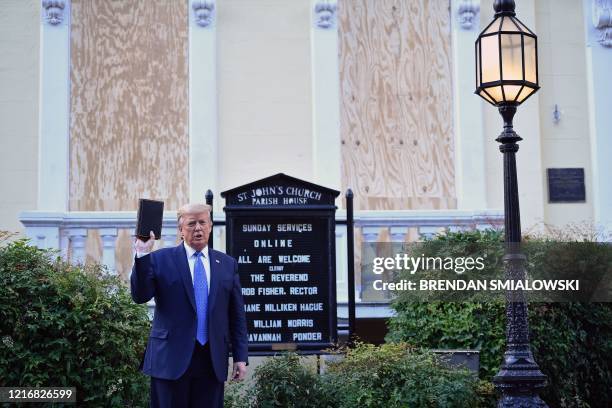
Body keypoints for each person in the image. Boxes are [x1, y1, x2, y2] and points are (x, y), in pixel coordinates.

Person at [130, 203, 248, 407]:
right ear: (181, 229)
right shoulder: (160, 259)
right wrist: (142, 254)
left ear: (210, 226)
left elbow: (236, 314)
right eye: (191, 223)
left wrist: (240, 356)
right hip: (170, 361)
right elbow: (140, 296)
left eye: (203, 222)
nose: (198, 228)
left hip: (211, 361)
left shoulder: (227, 264)